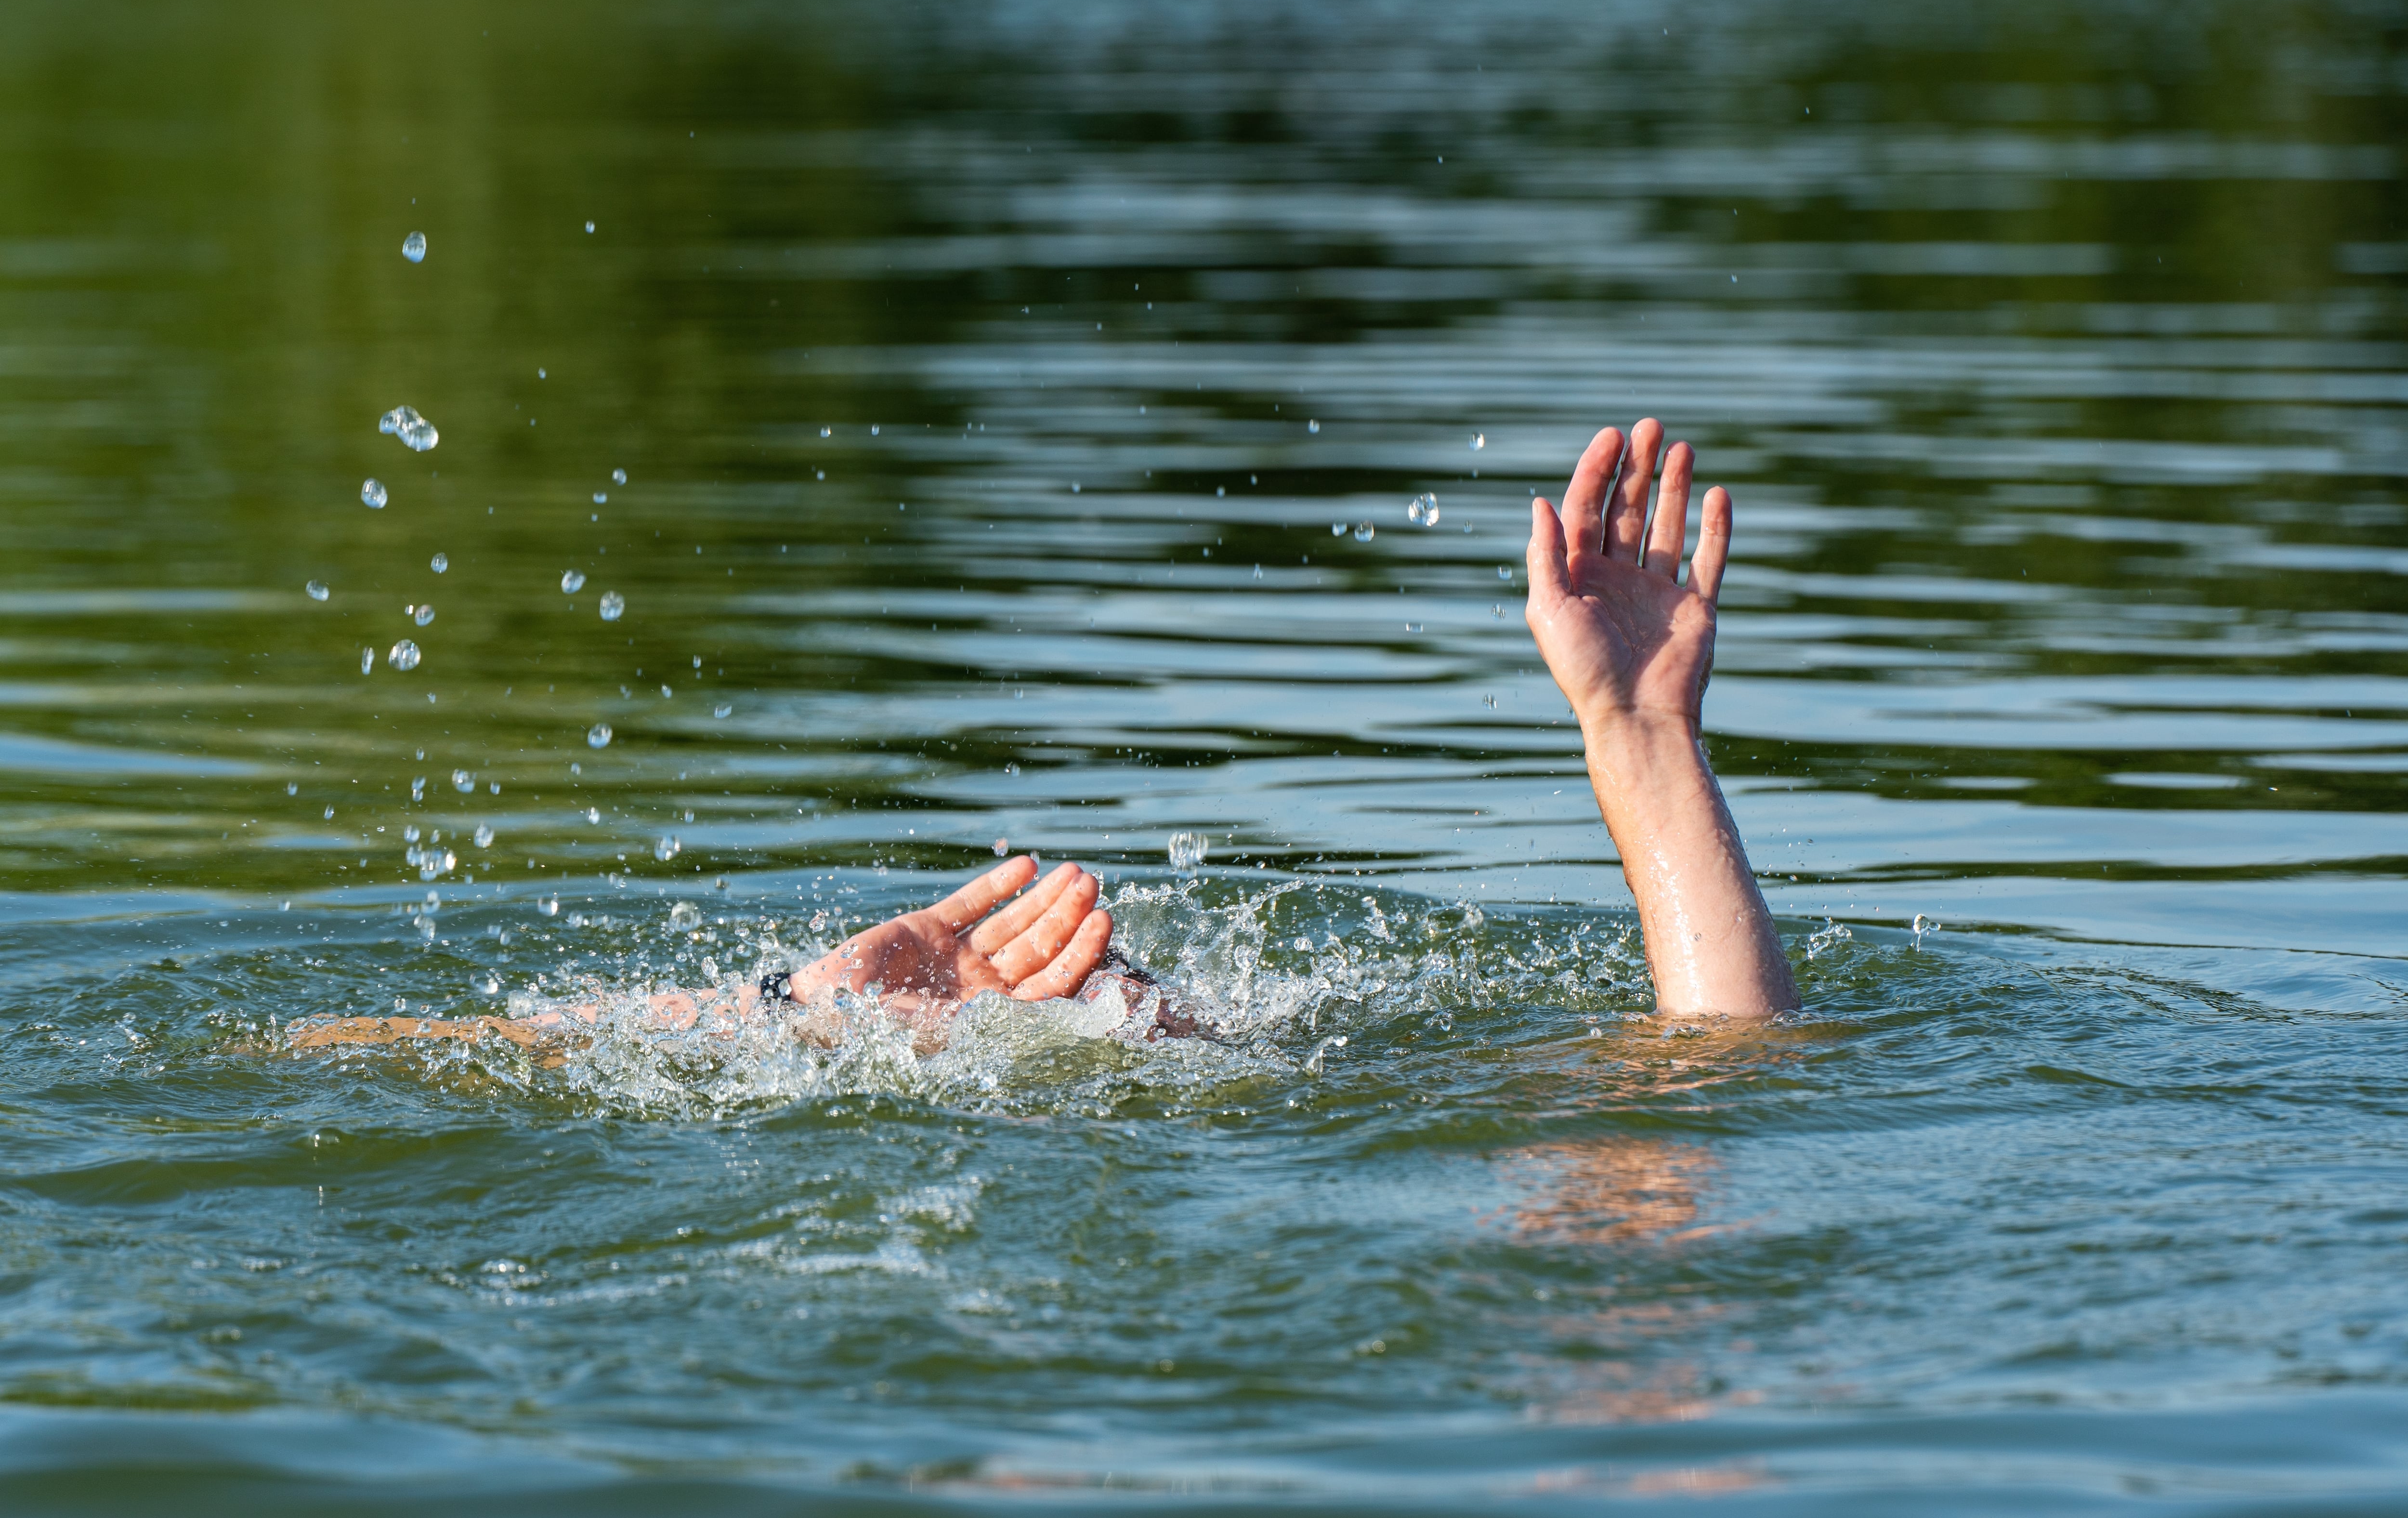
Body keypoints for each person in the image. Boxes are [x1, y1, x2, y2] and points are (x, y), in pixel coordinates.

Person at [292, 417, 1794, 1062]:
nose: (1113, 982)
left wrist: (1636, 730)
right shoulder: (1349, 1107)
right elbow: (1721, 1089)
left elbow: (1715, 1082)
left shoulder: (1325, 1089)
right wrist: (803, 1013)